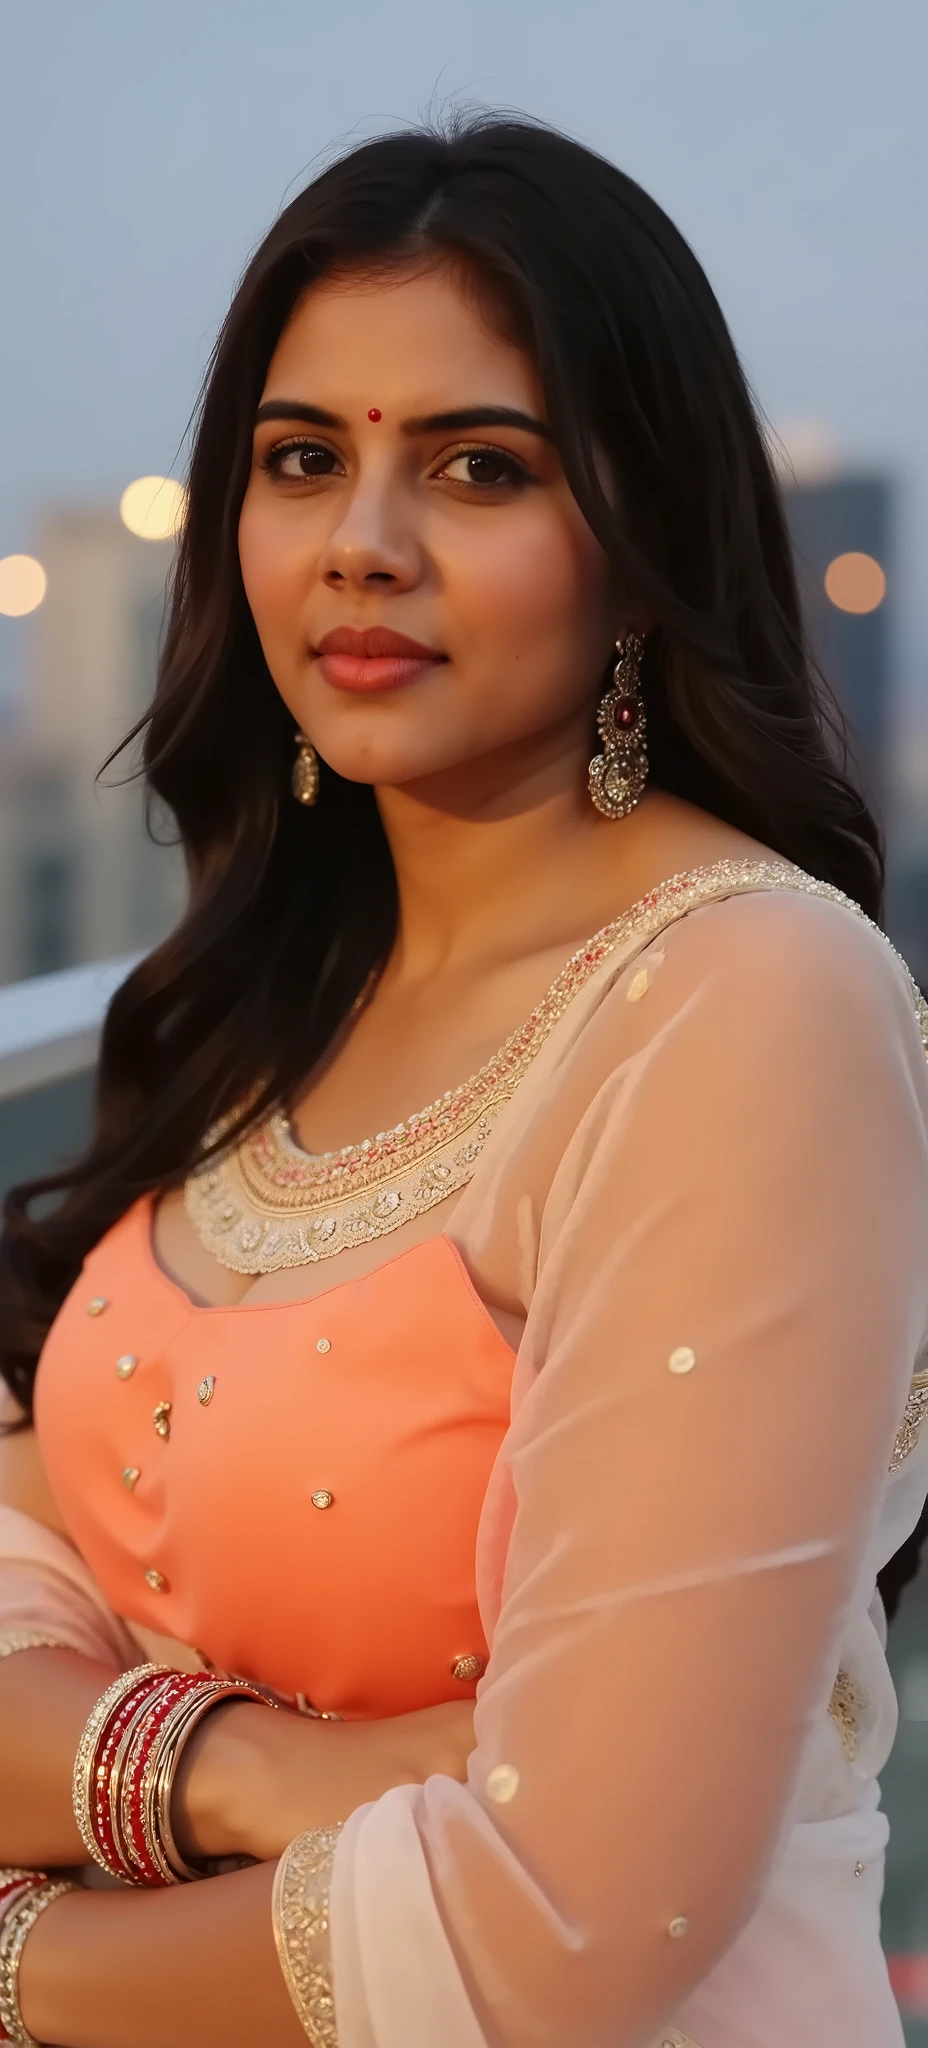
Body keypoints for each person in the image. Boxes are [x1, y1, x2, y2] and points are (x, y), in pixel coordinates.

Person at [0, 113, 926, 2048]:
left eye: (478, 467)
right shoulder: (262, 992)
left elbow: (569, 1931)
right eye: (303, 458)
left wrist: (18, 1958)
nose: (364, 539)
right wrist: (227, 1766)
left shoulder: (740, 1005)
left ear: (644, 538)